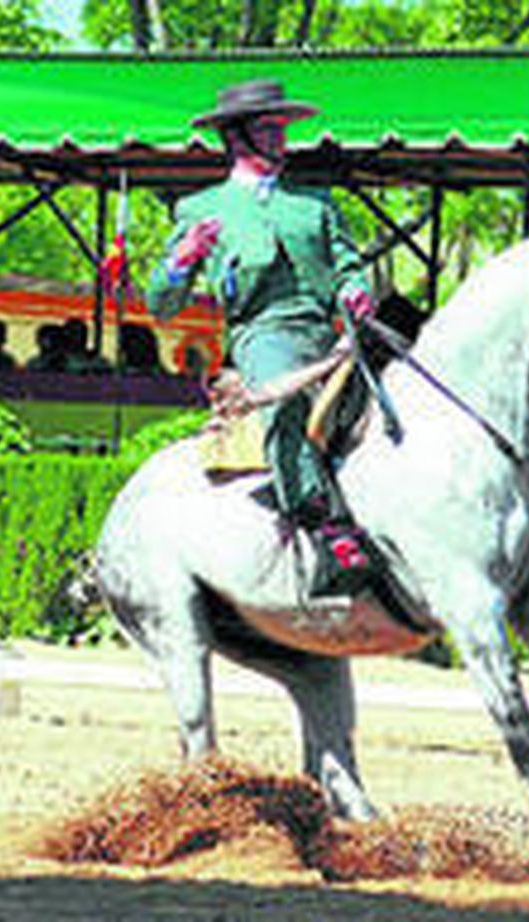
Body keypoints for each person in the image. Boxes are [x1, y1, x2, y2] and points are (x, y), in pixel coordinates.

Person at [147, 78, 376, 599]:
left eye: (281, 129)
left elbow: (348, 267)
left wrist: (356, 290)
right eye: (268, 130)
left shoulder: (315, 204)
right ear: (237, 139)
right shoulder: (199, 209)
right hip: (264, 337)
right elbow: (161, 305)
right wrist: (182, 260)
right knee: (286, 403)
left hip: (332, 333)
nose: (280, 139)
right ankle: (322, 528)